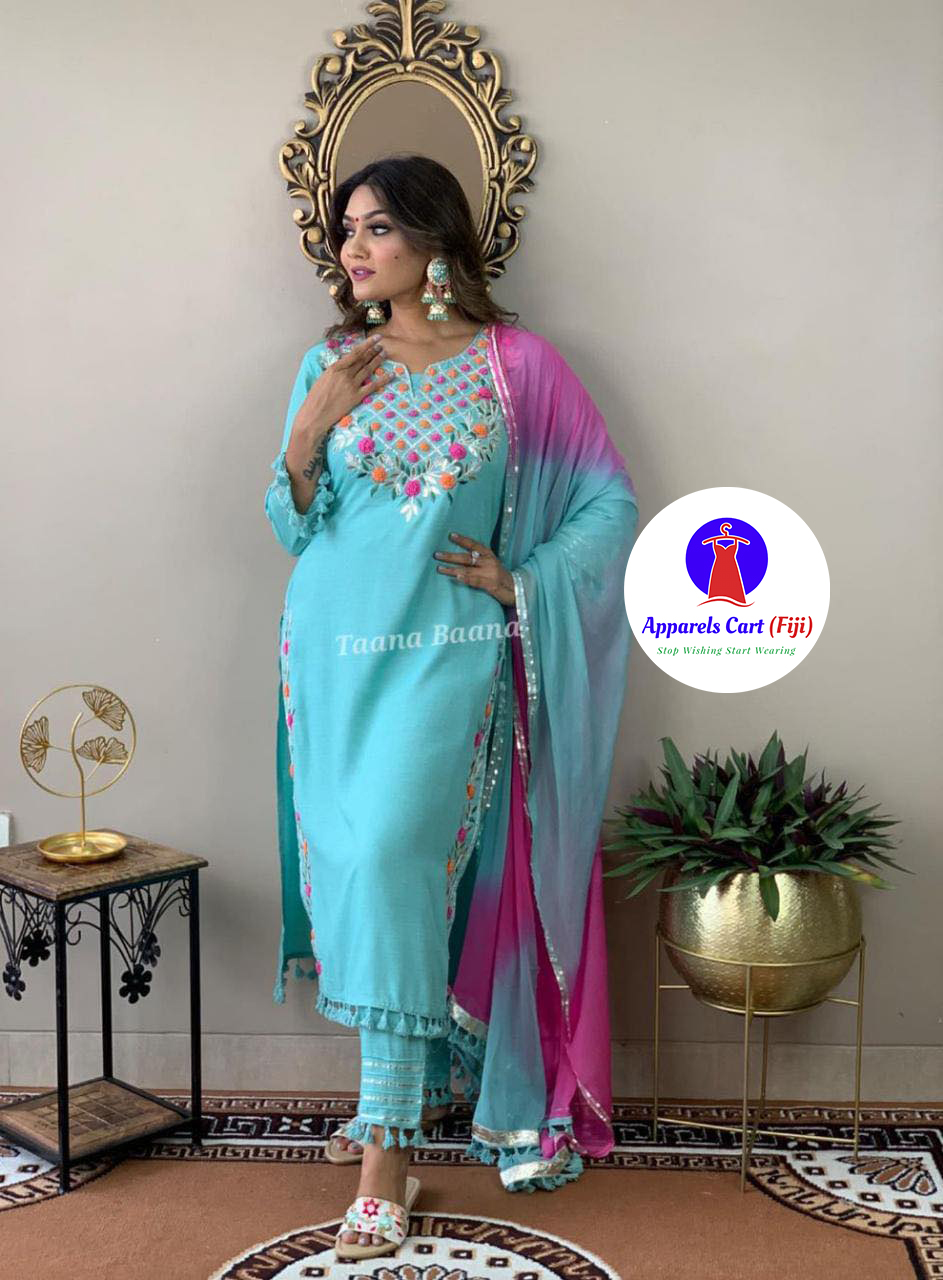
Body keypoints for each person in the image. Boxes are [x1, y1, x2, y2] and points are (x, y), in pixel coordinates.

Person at [265, 155, 639, 1259]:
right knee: (359, 867)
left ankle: (385, 1159)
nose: (353, 247)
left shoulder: (517, 369)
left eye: (378, 226)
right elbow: (292, 525)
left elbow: (609, 503)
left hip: (447, 654)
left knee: (390, 855)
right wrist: (307, 429)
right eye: (345, 229)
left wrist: (522, 581)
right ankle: (398, 1096)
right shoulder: (331, 363)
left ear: (435, 238)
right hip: (331, 651)